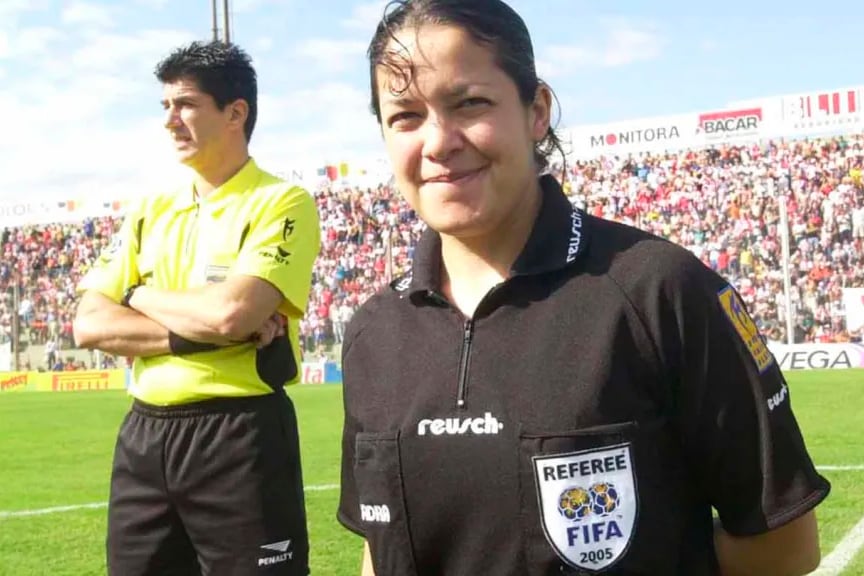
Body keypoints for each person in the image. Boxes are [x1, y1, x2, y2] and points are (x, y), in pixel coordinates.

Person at [336, 1, 830, 575]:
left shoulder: (660, 291)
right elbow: (379, 554)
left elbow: (786, 547)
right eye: (405, 116)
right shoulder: (373, 332)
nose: (438, 141)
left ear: (537, 111)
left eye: (469, 103)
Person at [73, 40, 320, 576]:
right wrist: (197, 334)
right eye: (165, 106)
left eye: (185, 104)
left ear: (236, 113)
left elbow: (231, 315)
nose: (169, 120)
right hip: (144, 436)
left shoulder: (282, 202)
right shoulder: (149, 209)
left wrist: (137, 294)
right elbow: (88, 324)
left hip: (238, 433)